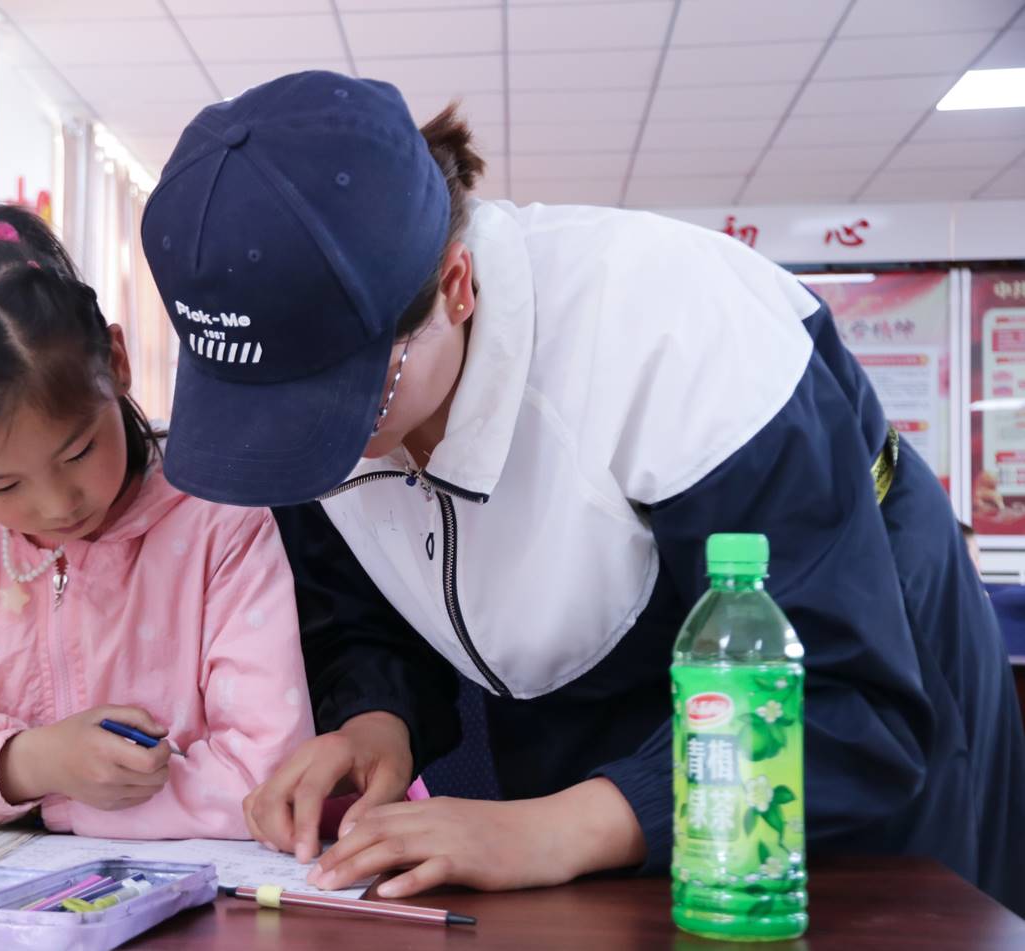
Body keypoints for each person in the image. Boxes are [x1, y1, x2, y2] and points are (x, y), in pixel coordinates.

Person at [138, 71, 1025, 913]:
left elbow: (839, 705)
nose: (311, 449)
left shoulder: (677, 336)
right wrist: (377, 719)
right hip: (585, 690)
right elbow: (359, 600)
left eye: (341, 403)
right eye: (272, 415)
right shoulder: (309, 378)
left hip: (833, 641)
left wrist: (554, 828)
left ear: (456, 287)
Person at [0, 204, 314, 839]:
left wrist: (57, 804)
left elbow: (268, 775)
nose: (57, 504)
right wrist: (28, 763)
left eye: (79, 451)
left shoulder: (220, 519)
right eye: (2, 485)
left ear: (116, 362)